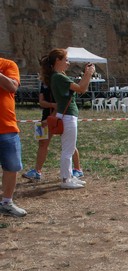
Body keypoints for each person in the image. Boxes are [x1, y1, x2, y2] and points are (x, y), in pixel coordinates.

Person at [39, 48, 94, 189]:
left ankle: (68, 176)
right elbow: (81, 89)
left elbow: (80, 88)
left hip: (67, 115)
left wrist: (87, 76)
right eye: (66, 60)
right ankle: (65, 179)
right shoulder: (59, 77)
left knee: (68, 149)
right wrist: (88, 74)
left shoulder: (57, 77)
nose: (68, 63)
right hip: (68, 116)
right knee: (68, 150)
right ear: (58, 61)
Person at [22, 78, 84, 181]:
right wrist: (51, 106)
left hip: (59, 116)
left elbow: (61, 103)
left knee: (69, 144)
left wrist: (51, 117)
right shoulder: (44, 83)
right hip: (46, 117)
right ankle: (37, 171)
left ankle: (77, 169)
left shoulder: (57, 80)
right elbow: (41, 102)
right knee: (42, 143)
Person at [0, 57, 27, 217]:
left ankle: (6, 202)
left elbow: (12, 86)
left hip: (7, 127)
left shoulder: (8, 65)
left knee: (11, 167)